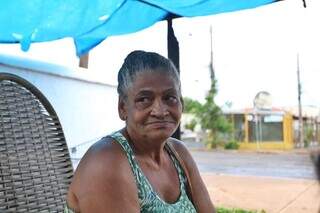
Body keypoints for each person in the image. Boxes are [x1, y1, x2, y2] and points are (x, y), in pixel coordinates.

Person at [65, 50, 215, 212]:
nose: (160, 111)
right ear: (123, 108)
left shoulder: (178, 153)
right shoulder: (107, 160)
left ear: (181, 103)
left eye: (169, 97)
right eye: (144, 99)